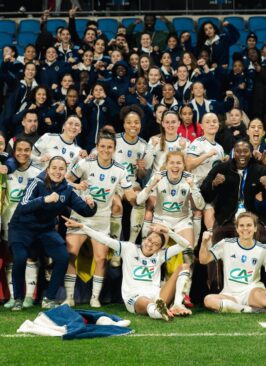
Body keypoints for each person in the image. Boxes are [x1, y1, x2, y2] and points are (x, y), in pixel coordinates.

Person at [9, 156, 97, 311]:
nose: (57, 172)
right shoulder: (36, 182)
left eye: (61, 169)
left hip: (45, 230)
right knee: (20, 258)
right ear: (47, 169)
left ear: (66, 171)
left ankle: (49, 298)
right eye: (54, 168)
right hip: (21, 227)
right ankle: (17, 298)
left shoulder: (67, 189)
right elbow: (23, 206)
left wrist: (91, 205)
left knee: (63, 257)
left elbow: (84, 210)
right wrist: (45, 199)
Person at [64, 217, 192, 319]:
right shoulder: (129, 248)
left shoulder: (160, 255)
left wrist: (168, 231)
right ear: (144, 238)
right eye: (149, 240)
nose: (150, 244)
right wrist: (83, 227)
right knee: (148, 304)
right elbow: (105, 240)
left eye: (155, 244)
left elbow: (185, 244)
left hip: (156, 294)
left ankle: (177, 305)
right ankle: (159, 312)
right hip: (134, 295)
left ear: (160, 248)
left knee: (184, 266)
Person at [64, 129, 137, 308]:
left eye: (109, 147)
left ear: (114, 149)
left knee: (101, 258)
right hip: (79, 217)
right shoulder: (85, 163)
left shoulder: (120, 170)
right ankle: (69, 297)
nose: (105, 150)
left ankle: (95, 298)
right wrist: (78, 186)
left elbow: (130, 196)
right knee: (70, 254)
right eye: (102, 146)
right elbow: (65, 181)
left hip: (102, 221)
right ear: (97, 147)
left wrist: (140, 196)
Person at [199, 212, 266, 313]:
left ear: (255, 228)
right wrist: (204, 243)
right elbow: (203, 260)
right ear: (237, 228)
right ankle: (250, 310)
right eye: (241, 225)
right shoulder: (226, 244)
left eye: (249, 225)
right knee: (208, 300)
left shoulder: (262, 249)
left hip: (251, 292)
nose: (245, 229)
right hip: (230, 294)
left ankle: (231, 307)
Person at [2, 139, 41, 309]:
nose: (22, 153)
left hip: (30, 224)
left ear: (31, 151)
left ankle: (29, 296)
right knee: (12, 258)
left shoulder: (37, 172)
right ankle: (12, 296)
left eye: (26, 150)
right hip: (9, 221)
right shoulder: (5, 171)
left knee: (31, 258)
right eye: (19, 150)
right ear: (14, 151)